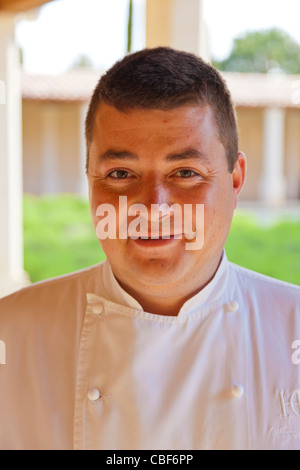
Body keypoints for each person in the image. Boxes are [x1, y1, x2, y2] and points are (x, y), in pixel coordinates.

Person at [0, 47, 299, 451]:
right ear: (89, 180)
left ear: (235, 179)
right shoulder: (11, 333)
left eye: (186, 173)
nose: (154, 208)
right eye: (120, 174)